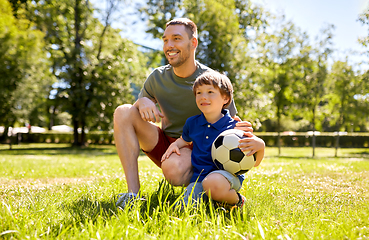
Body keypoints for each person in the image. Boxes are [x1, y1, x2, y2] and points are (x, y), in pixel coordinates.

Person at [114, 18, 257, 209]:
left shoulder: (211, 81)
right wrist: (142, 101)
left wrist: (249, 137)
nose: (169, 45)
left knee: (173, 170)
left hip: (195, 149)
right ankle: (132, 194)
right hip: (165, 145)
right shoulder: (157, 77)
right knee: (123, 111)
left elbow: (231, 124)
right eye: (165, 40)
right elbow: (135, 113)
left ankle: (207, 187)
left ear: (193, 43)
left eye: (176, 38)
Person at [161, 71, 265, 208]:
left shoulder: (236, 129)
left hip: (225, 179)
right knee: (182, 209)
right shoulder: (192, 123)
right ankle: (214, 200)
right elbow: (184, 140)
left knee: (213, 184)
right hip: (199, 179)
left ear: (225, 98)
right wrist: (175, 145)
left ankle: (237, 201)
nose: (203, 97)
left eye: (210, 92)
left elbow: (255, 162)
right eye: (199, 93)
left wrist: (261, 146)